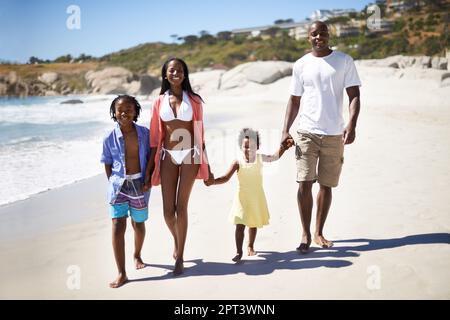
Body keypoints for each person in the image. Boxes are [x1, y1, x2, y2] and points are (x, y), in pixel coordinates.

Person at [280, 21, 361, 254]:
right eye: (314, 34)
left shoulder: (344, 60)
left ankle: (319, 232)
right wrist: (285, 130)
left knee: (326, 185)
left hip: (335, 133)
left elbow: (354, 94)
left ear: (328, 35)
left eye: (323, 33)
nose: (319, 37)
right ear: (309, 37)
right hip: (306, 131)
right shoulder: (301, 64)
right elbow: (294, 100)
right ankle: (305, 233)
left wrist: (352, 124)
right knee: (304, 182)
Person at [147, 57, 214, 275]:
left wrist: (208, 165)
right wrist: (149, 170)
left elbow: (199, 133)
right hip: (167, 155)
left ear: (185, 75)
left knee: (181, 207)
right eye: (172, 70)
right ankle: (177, 240)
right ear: (165, 75)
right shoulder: (159, 102)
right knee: (168, 211)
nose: (176, 73)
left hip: (190, 156)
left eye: (180, 70)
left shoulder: (194, 100)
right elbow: (155, 138)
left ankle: (181, 256)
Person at [206, 128, 293, 262]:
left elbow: (274, 157)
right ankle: (238, 251)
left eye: (252, 146)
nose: (248, 149)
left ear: (257, 147)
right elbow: (225, 177)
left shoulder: (259, 158)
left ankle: (250, 245)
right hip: (242, 199)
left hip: (256, 197)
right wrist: (213, 182)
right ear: (241, 147)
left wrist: (283, 147)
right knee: (240, 225)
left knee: (253, 222)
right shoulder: (237, 162)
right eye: (245, 146)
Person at [101, 95, 151, 288]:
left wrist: (148, 178)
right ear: (114, 112)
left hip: (139, 184)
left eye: (129, 109)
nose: (124, 113)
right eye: (120, 109)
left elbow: (151, 157)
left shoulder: (144, 134)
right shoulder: (109, 137)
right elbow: (107, 162)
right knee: (117, 226)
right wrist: (112, 184)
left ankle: (137, 254)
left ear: (136, 111)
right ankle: (122, 272)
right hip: (118, 186)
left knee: (138, 224)